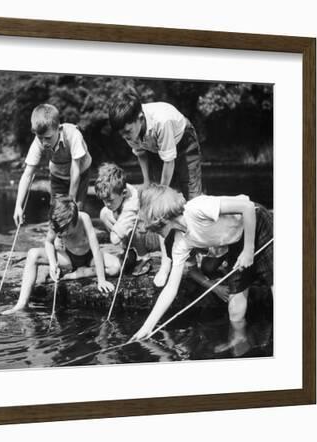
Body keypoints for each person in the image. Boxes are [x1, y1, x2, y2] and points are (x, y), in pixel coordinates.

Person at [129, 184, 273, 342]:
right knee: (235, 312)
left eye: (155, 228)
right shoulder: (180, 242)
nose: (154, 232)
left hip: (256, 221)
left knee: (274, 282)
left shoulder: (197, 208)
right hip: (237, 240)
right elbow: (171, 288)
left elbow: (248, 207)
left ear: (162, 218)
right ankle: (239, 343)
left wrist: (248, 250)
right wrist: (147, 326)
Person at [109, 88, 205, 287]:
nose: (125, 136)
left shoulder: (162, 121)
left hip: (184, 145)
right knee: (155, 209)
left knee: (192, 201)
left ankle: (193, 263)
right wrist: (146, 184)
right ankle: (166, 261)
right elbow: (141, 154)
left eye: (127, 131)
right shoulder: (128, 130)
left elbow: (169, 163)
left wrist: (159, 194)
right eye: (121, 133)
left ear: (140, 118)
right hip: (155, 150)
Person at [4, 197, 119, 314]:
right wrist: (53, 264)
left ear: (73, 222)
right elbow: (48, 242)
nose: (61, 234)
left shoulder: (84, 218)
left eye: (64, 231)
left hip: (89, 257)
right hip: (68, 258)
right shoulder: (57, 222)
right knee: (33, 254)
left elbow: (96, 249)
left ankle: (77, 274)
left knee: (116, 267)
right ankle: (21, 303)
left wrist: (101, 280)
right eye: (58, 231)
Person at [13, 104, 92, 227]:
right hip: (58, 177)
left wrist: (70, 202)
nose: (44, 143)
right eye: (40, 138)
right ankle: (56, 242)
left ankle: (78, 242)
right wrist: (18, 206)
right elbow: (27, 175)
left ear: (58, 129)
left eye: (48, 138)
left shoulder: (73, 135)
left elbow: (75, 171)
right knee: (57, 215)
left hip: (80, 174)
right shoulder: (38, 142)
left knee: (76, 212)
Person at [94, 162, 150, 273]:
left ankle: (144, 258)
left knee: (133, 228)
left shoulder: (132, 203)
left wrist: (116, 234)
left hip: (148, 233)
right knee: (104, 213)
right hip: (127, 222)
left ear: (124, 193)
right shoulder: (118, 188)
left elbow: (114, 239)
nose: (107, 204)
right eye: (104, 200)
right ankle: (128, 250)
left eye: (110, 200)